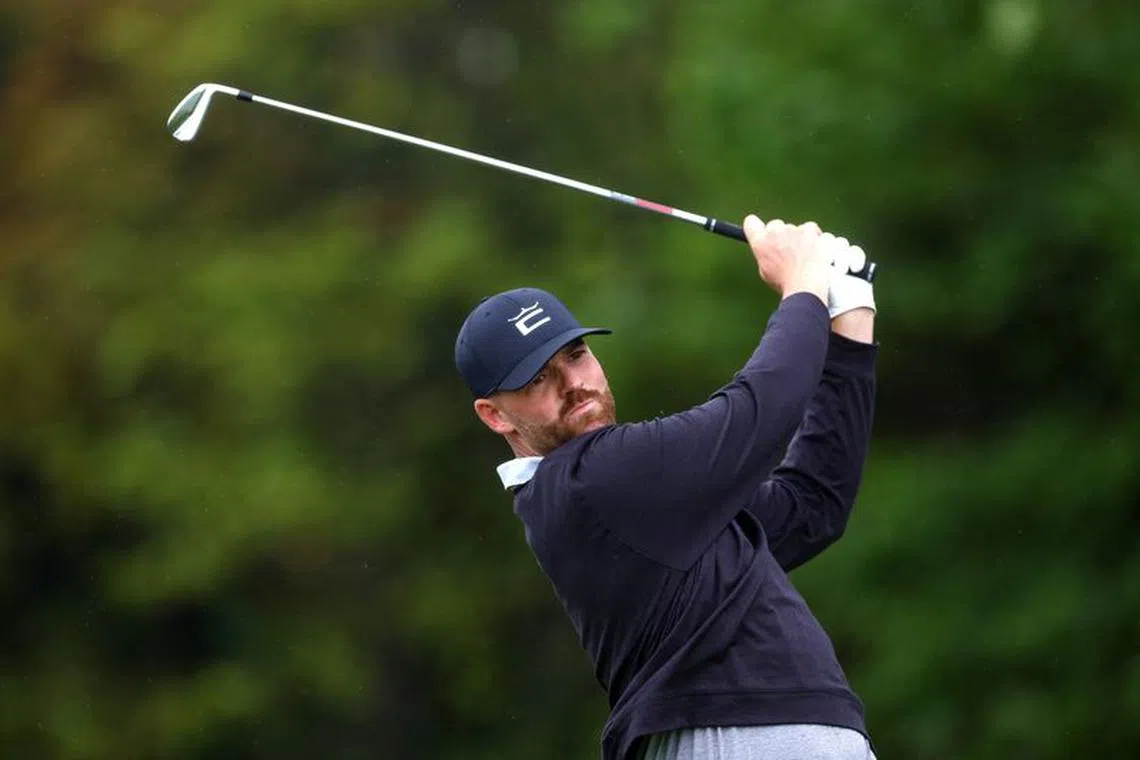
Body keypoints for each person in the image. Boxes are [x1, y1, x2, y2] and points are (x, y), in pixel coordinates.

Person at [454, 215, 878, 760]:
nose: (573, 384)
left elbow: (811, 506)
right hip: (729, 736)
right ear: (495, 416)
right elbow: (760, 410)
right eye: (537, 378)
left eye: (576, 355)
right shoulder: (588, 479)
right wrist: (802, 286)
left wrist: (850, 317)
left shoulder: (640, 499)